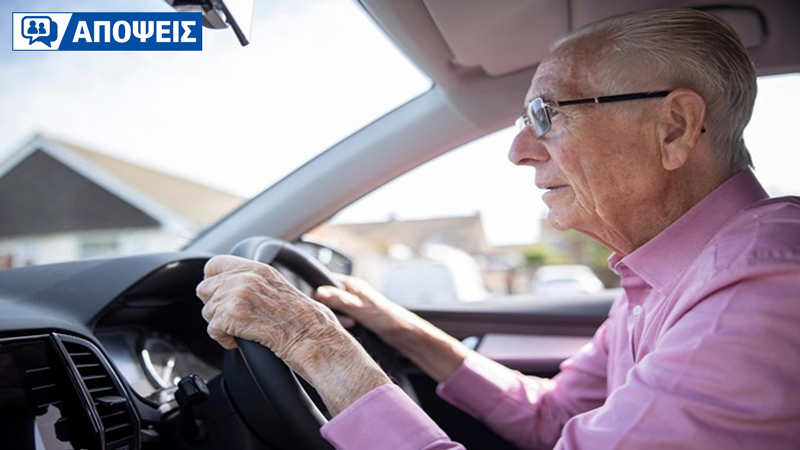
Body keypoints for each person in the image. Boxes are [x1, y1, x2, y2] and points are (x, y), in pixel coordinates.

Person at [195, 8, 800, 449]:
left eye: (546, 113)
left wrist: (316, 346)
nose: (518, 150)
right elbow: (553, 414)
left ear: (672, 128)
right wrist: (397, 326)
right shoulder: (667, 273)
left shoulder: (758, 295)